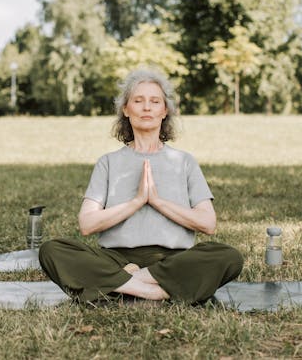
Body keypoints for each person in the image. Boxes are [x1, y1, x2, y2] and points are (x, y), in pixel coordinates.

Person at [38, 68, 243, 304]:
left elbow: (207, 223)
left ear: (164, 111)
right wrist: (136, 202)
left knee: (228, 257)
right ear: (126, 109)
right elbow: (86, 224)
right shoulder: (108, 162)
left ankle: (125, 283)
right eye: (138, 100)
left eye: (155, 101)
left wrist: (157, 201)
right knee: (52, 250)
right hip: (116, 259)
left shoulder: (185, 162)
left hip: (174, 261)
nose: (147, 107)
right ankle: (154, 291)